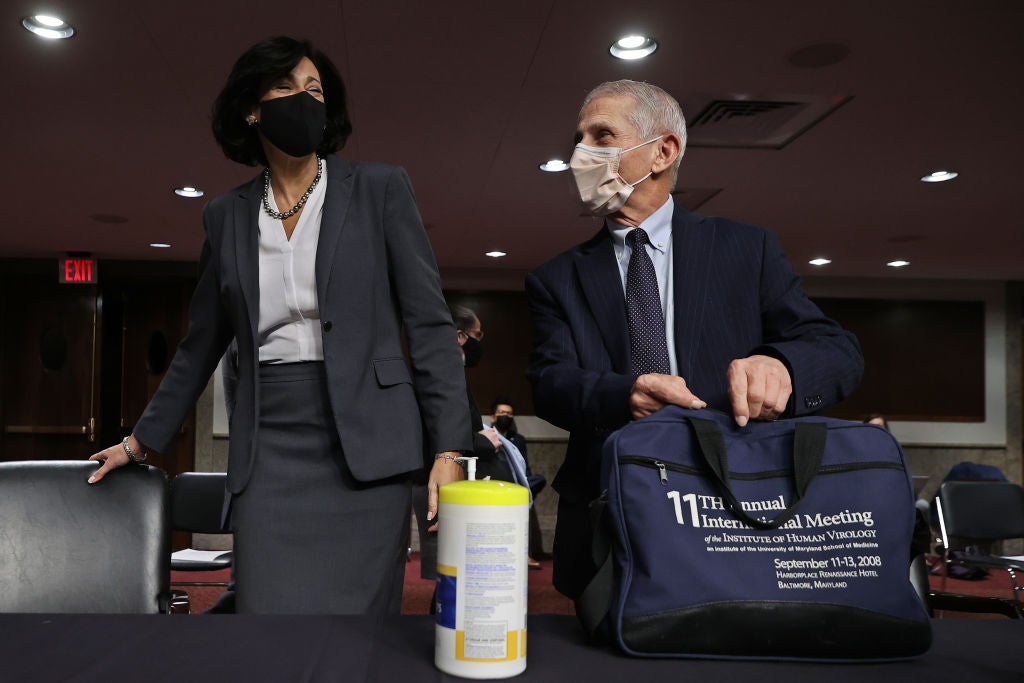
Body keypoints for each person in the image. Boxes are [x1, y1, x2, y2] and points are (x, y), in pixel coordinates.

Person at [87, 36, 470, 616]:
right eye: (286, 88)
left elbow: (430, 324)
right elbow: (201, 344)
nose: (304, 99)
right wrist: (140, 441)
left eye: (314, 89)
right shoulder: (225, 215)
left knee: (362, 634)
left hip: (368, 443)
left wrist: (449, 447)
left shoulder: (379, 189)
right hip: (269, 443)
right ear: (251, 109)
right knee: (268, 623)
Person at [525, 79, 864, 602]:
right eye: (579, 138)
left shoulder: (745, 249)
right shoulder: (556, 278)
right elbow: (550, 382)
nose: (580, 153)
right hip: (606, 505)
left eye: (602, 134)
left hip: (735, 508)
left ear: (663, 151)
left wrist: (782, 366)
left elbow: (836, 349)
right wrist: (626, 394)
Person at [491, 396, 547, 568]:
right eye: (502, 413)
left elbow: (524, 467)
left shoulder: (518, 439)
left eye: (509, 414)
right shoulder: (484, 436)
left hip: (516, 482)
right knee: (523, 499)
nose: (505, 416)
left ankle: (525, 553)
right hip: (493, 483)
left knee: (535, 482)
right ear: (493, 416)